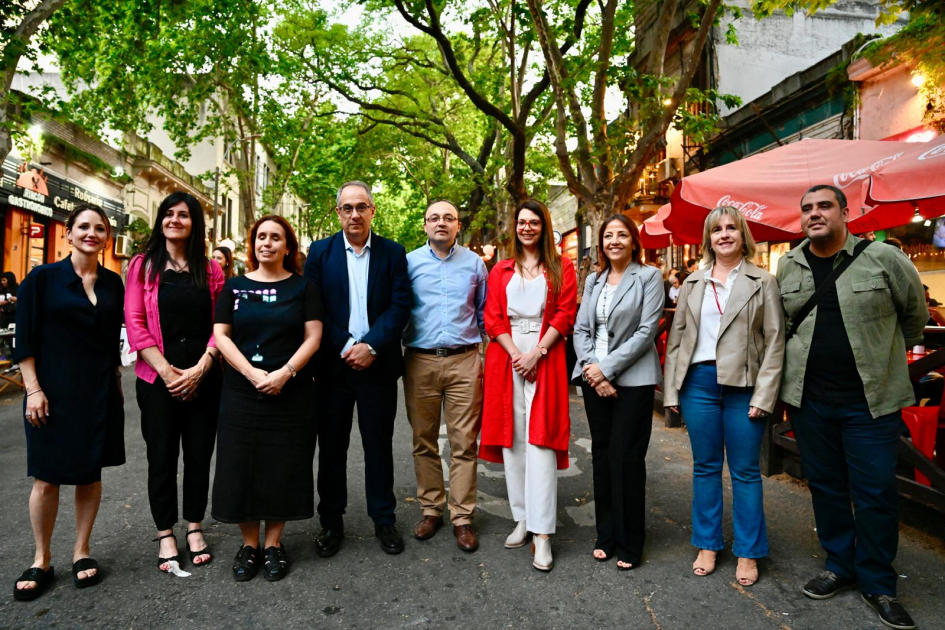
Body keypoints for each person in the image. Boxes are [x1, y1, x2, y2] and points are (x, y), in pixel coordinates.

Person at [778, 184, 925, 630]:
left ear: (845, 212)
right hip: (810, 401)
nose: (814, 214)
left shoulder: (885, 259)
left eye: (824, 206)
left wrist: (885, 355)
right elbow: (782, 325)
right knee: (824, 485)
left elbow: (914, 318)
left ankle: (879, 583)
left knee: (876, 491)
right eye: (807, 209)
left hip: (871, 402)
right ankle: (840, 565)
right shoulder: (788, 265)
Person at [663, 206, 785, 587]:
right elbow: (676, 340)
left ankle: (748, 551)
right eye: (718, 230)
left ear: (742, 235)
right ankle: (708, 543)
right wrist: (671, 391)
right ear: (709, 238)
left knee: (746, 472)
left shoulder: (762, 281)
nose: (725, 235)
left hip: (744, 387)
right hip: (699, 384)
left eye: (732, 228)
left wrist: (764, 395)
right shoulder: (693, 283)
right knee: (704, 467)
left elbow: (775, 341)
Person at [12, 205, 125, 601]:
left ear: (106, 236)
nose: (91, 233)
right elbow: (23, 341)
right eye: (83, 227)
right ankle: (41, 558)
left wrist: (116, 384)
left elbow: (112, 342)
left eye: (99, 228)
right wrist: (33, 390)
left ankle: (82, 551)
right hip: (50, 392)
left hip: (98, 391)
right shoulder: (41, 279)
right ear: (68, 234)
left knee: (89, 473)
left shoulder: (113, 283)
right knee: (47, 477)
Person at [212, 215, 323, 582]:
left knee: (283, 465)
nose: (267, 243)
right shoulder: (234, 288)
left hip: (291, 392)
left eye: (276, 238)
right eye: (261, 237)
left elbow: (313, 337)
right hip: (242, 391)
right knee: (240, 464)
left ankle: (274, 543)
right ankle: (249, 545)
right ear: (253, 244)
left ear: (287, 246)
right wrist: (252, 373)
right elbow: (222, 336)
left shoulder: (304, 288)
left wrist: (284, 373)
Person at [304, 181, 411, 557]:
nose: (354, 214)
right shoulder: (319, 253)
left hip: (378, 367)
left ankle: (384, 519)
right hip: (333, 369)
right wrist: (349, 346)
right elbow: (314, 310)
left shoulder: (393, 253)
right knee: (332, 449)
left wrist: (371, 346)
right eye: (347, 208)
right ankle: (331, 523)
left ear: (372, 210)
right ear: (338, 213)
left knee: (378, 447)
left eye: (361, 207)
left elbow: (399, 307)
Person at [125, 192, 226, 573]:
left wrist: (202, 367)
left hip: (204, 377)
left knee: (199, 455)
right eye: (168, 214)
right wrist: (167, 373)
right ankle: (166, 532)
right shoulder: (143, 265)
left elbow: (221, 327)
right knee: (162, 457)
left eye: (183, 215)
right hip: (157, 380)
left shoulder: (211, 269)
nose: (175, 220)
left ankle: (195, 526)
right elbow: (135, 323)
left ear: (194, 222)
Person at [480, 199, 577, 572]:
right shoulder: (501, 270)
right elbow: (492, 317)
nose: (527, 227)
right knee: (514, 441)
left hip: (545, 355)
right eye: (522, 222)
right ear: (514, 227)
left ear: (543, 226)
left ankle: (542, 534)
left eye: (534, 222)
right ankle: (521, 517)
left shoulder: (561, 267)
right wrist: (516, 355)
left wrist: (536, 353)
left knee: (541, 443)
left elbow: (565, 312)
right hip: (507, 358)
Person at [571, 215, 663, 570]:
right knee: (603, 456)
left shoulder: (649, 276)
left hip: (634, 381)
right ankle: (606, 534)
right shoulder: (594, 280)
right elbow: (581, 329)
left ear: (633, 241)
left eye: (622, 234)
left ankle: (630, 540)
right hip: (595, 378)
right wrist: (594, 370)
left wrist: (607, 369)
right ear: (601, 243)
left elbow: (646, 331)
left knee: (627, 458)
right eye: (608, 235)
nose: (614, 241)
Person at [403, 200, 488, 552]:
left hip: (464, 361)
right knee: (423, 441)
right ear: (424, 225)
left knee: (464, 443)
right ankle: (431, 509)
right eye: (434, 218)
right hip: (419, 361)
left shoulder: (475, 264)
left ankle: (463, 516)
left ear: (458, 226)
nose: (441, 223)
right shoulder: (407, 263)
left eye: (448, 218)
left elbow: (484, 313)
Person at [0, 271, 18, 358]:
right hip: (3, 316)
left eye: (4, 280)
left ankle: (12, 356)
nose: (2, 282)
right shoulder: (1, 290)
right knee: (3, 336)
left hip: (14, 316)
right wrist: (7, 301)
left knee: (12, 338)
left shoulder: (17, 289)